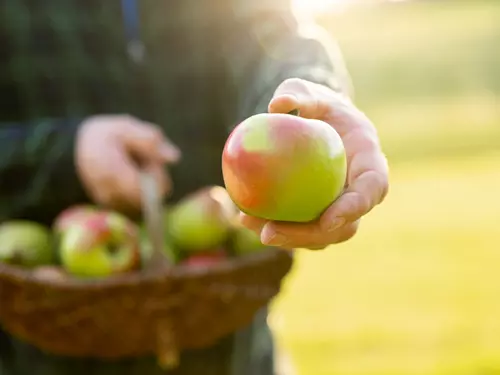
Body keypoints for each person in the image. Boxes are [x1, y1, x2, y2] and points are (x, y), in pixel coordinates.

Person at [0, 0, 389, 374]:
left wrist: (310, 98)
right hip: (32, 357)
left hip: (231, 351)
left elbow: (270, 33)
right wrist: (59, 155)